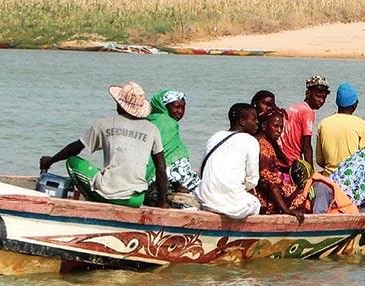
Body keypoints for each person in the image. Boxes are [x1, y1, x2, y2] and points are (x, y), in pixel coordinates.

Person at [39, 81, 168, 208]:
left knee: (72, 162)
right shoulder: (152, 129)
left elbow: (76, 147)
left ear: (119, 104)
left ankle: (94, 200)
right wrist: (161, 203)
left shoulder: (104, 124)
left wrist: (51, 161)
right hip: (136, 199)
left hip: (109, 194)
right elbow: (161, 169)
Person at [194, 103, 263, 219]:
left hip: (205, 197)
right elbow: (252, 180)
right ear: (242, 121)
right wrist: (240, 188)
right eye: (254, 119)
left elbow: (202, 172)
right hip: (231, 203)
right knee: (255, 203)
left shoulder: (215, 136)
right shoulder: (251, 141)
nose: (257, 122)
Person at [254, 109, 312, 218]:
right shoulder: (264, 148)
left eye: (281, 127)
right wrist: (285, 210)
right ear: (264, 125)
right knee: (305, 199)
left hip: (264, 191)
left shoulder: (261, 142)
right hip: (265, 197)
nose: (279, 131)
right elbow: (270, 183)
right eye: (275, 126)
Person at [146, 89, 200, 193]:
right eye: (176, 107)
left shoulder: (151, 120)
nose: (180, 111)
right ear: (164, 106)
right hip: (156, 181)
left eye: (183, 108)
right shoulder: (167, 123)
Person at [315, 82, 365, 172]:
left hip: (329, 178)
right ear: (355, 104)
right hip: (351, 178)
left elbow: (319, 160)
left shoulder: (323, 124)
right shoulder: (362, 125)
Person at [282, 75, 329, 166]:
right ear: (308, 94)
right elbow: (306, 146)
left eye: (324, 98)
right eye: (318, 96)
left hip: (283, 157)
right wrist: (310, 172)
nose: (321, 101)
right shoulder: (308, 112)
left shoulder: (294, 108)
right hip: (293, 159)